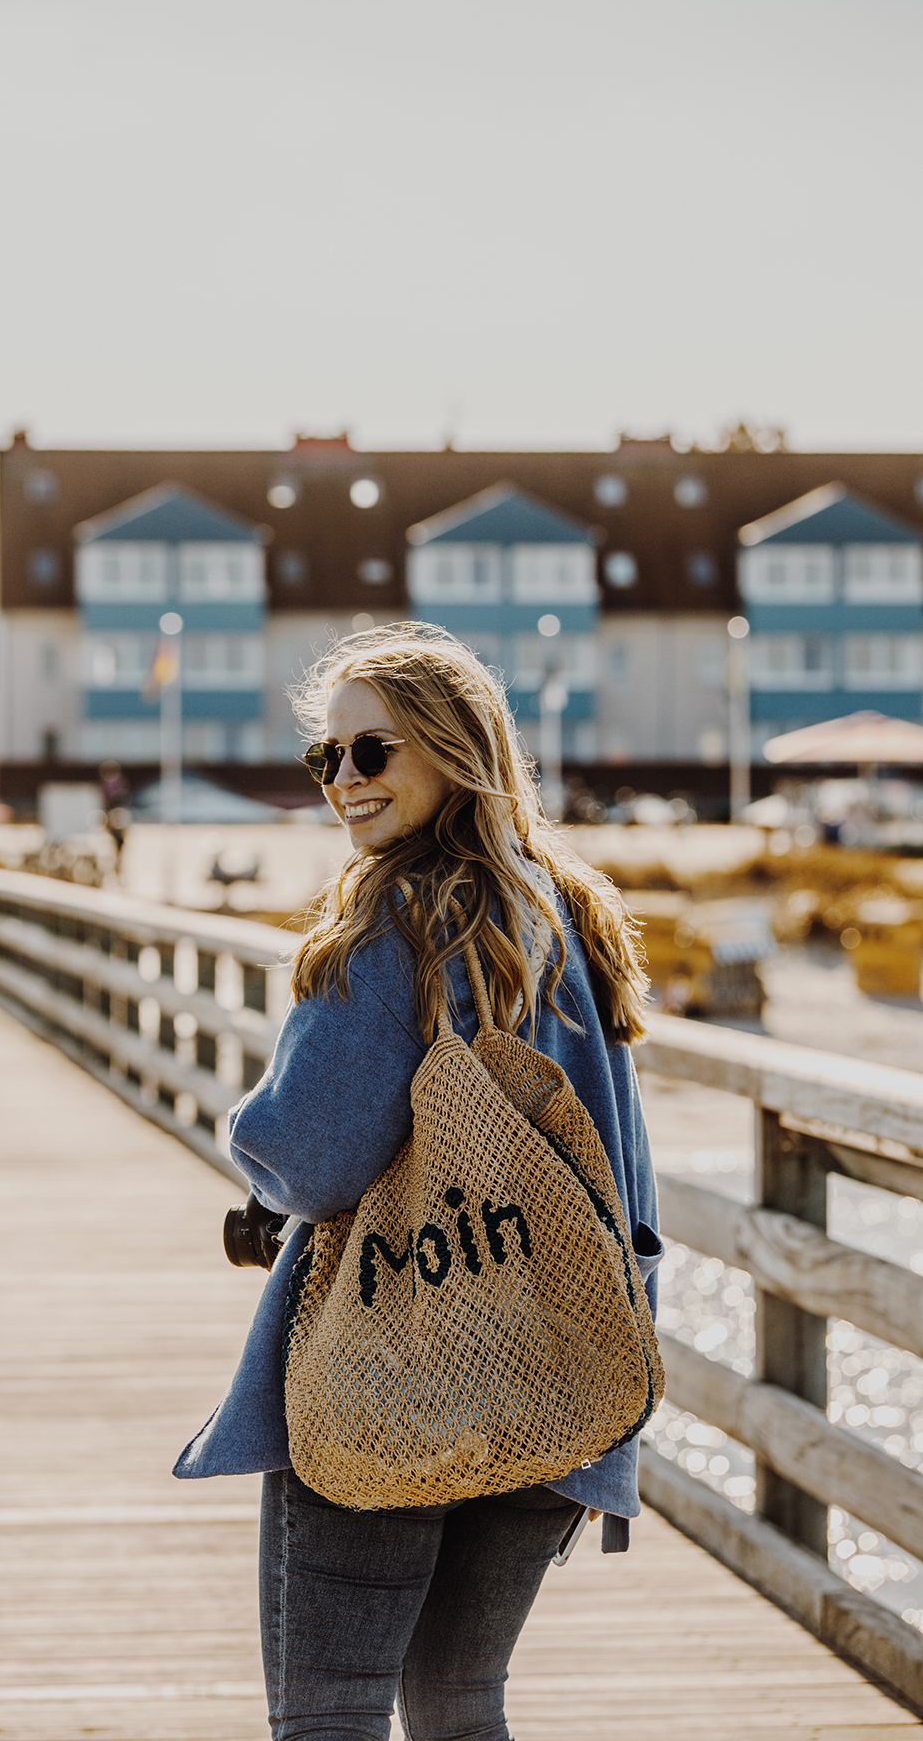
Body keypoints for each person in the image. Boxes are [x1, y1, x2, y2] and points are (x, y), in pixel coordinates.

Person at [173, 623, 656, 1741]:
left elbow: (307, 1153)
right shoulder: (568, 913)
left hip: (392, 1367)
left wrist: (248, 1134)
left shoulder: (396, 914)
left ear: (452, 750)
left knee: (329, 1715)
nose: (343, 780)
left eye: (371, 752)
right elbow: (621, 1161)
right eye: (324, 758)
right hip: (555, 1363)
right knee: (458, 1705)